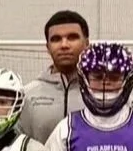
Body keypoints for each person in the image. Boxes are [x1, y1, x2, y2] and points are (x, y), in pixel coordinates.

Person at [20, 10, 89, 144]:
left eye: (72, 37)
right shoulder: (26, 95)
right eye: (56, 39)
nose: (64, 45)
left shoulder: (107, 95)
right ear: (47, 47)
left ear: (86, 43)